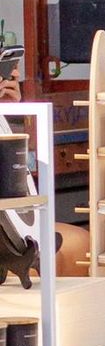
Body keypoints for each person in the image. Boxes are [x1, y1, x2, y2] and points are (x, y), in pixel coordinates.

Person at [0, 69, 90, 276]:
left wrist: (8, 111)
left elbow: (18, 165)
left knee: (80, 245)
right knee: (46, 260)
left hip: (10, 216)